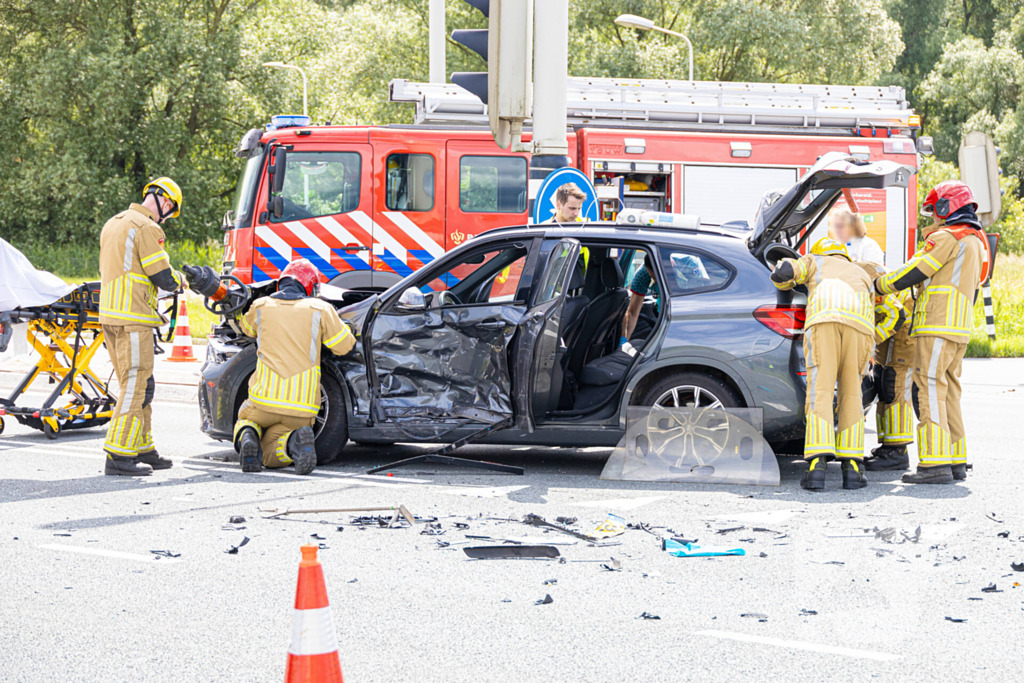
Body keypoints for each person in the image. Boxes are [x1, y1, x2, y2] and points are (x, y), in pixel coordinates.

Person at [874, 180, 990, 484]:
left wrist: (878, 285)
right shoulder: (976, 242)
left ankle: (934, 464)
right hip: (959, 327)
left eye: (935, 211)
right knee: (949, 391)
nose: (934, 218)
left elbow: (915, 270)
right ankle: (955, 459)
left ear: (946, 207)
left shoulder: (946, 237)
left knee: (928, 388)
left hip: (936, 323)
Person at [771, 238, 900, 491]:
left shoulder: (815, 261)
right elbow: (889, 311)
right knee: (852, 395)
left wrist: (782, 273)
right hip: (861, 330)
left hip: (824, 323)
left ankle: (816, 468)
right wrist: (872, 339)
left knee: (820, 392)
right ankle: (852, 469)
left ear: (820, 252)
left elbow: (784, 273)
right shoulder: (861, 272)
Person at [98, 178, 187, 476]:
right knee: (136, 385)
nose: (167, 217)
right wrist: (181, 281)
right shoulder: (147, 227)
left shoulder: (114, 222)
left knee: (140, 384)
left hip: (110, 316)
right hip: (133, 317)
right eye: (170, 211)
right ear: (165, 202)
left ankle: (142, 446)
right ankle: (118, 454)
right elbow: (162, 275)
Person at [232, 259, 355, 474]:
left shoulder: (262, 306)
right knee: (271, 449)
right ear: (312, 287)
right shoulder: (321, 309)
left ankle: (249, 434)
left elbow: (245, 329)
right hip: (302, 410)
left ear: (281, 283)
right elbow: (344, 346)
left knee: (244, 419)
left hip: (263, 403)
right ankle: (292, 442)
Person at [621, 253, 659, 344]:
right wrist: (624, 340)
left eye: (656, 277)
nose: (655, 280)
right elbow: (632, 313)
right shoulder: (642, 275)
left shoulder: (687, 266)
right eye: (652, 277)